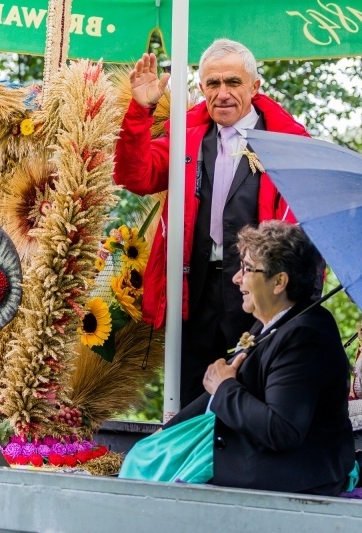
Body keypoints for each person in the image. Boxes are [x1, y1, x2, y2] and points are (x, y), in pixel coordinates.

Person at [114, 38, 310, 407]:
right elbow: (135, 176)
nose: (222, 93)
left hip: (259, 287)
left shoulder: (287, 141)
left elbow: (298, 230)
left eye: (233, 83)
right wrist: (141, 110)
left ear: (255, 86)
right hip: (194, 284)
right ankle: (192, 460)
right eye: (213, 84)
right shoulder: (186, 133)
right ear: (200, 87)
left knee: (252, 387)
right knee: (191, 390)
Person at [122, 222, 355, 494]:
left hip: (293, 470)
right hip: (255, 450)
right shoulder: (271, 322)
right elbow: (217, 392)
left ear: (279, 281)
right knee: (146, 454)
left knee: (150, 474)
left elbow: (282, 430)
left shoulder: (305, 337)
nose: (236, 278)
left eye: (246, 269)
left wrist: (224, 387)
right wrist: (166, 431)